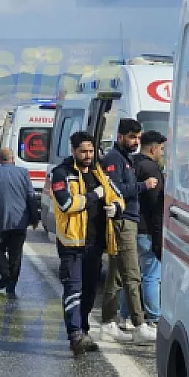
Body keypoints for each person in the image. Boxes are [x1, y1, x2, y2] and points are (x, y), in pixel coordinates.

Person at [50, 131, 125, 356]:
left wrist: (116, 208)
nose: (88, 155)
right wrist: (94, 196)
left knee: (90, 291)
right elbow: (66, 204)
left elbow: (117, 195)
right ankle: (75, 335)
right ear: (73, 151)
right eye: (83, 151)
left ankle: (83, 330)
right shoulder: (61, 174)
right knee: (74, 290)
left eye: (91, 151)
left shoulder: (98, 172)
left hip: (95, 243)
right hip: (72, 244)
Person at [99, 119, 158, 343]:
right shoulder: (114, 159)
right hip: (123, 221)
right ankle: (139, 324)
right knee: (132, 275)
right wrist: (144, 186)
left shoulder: (126, 159)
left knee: (115, 276)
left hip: (128, 221)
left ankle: (108, 322)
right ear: (121, 136)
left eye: (137, 137)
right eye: (131, 137)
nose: (135, 141)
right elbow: (115, 189)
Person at [0, 147, 40, 297]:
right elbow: (31, 196)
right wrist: (35, 218)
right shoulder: (23, 173)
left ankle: (5, 274)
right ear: (13, 159)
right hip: (20, 222)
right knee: (16, 254)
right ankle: (11, 285)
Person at [129, 130, 167, 330]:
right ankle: (153, 318)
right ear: (153, 148)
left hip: (130, 227)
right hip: (146, 230)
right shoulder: (152, 168)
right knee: (151, 275)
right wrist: (158, 237)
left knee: (130, 275)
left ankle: (125, 315)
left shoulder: (131, 162)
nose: (161, 153)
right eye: (161, 149)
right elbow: (157, 209)